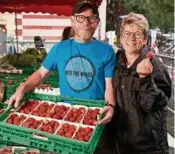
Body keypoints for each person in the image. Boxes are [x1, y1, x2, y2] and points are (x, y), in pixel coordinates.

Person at [8, 0, 116, 153]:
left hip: (96, 117)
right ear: (72, 20)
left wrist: (111, 106)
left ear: (97, 22)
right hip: (66, 115)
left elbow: (109, 85)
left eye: (91, 18)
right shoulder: (60, 48)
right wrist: (22, 87)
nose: (86, 22)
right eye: (80, 17)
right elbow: (40, 74)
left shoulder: (106, 51)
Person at [113, 12, 172, 154]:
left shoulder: (155, 66)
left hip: (148, 147)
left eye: (137, 34)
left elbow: (154, 104)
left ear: (145, 39)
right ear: (121, 38)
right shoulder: (115, 63)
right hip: (120, 143)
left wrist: (144, 79)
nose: (131, 38)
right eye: (127, 33)